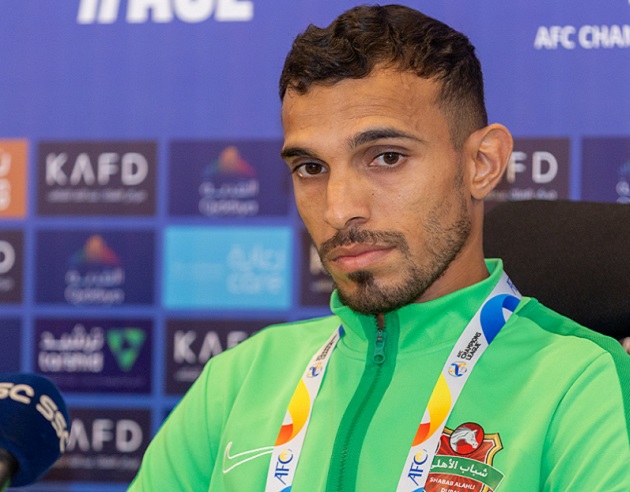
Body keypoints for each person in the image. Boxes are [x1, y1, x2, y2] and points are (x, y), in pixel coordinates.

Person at [129, 5, 630, 491]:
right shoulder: (238, 379)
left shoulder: (583, 382)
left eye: (387, 157)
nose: (338, 209)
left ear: (482, 163)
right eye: (310, 168)